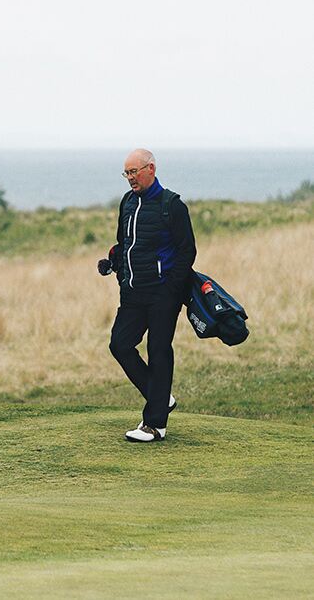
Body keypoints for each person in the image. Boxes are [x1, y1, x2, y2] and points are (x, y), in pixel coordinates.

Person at [97, 149, 197, 442]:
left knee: (159, 350)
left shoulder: (172, 205)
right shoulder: (127, 203)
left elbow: (187, 251)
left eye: (134, 172)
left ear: (150, 169)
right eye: (126, 173)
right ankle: (161, 398)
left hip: (163, 293)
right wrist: (112, 262)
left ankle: (155, 424)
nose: (130, 179)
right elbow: (124, 243)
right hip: (132, 292)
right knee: (120, 345)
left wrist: (171, 289)